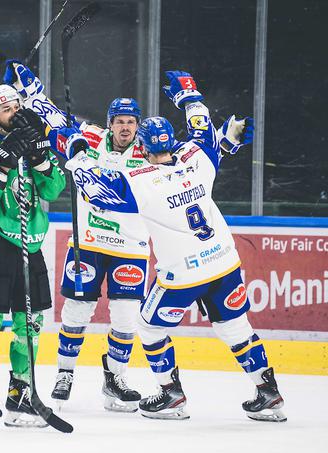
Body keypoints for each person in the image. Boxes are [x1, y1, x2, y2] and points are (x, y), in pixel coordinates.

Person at [63, 70, 285, 422]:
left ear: (144, 146)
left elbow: (95, 190)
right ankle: (268, 393)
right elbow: (203, 131)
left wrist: (76, 156)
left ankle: (170, 395)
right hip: (224, 263)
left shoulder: (141, 182)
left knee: (149, 327)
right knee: (236, 327)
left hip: (183, 274)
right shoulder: (198, 161)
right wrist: (190, 96)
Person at [3, 60, 150, 412]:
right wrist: (30, 88)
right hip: (88, 244)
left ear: (138, 125)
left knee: (126, 317)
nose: (125, 127)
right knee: (76, 311)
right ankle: (64, 373)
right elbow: (55, 118)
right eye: (120, 121)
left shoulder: (151, 153)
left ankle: (115, 379)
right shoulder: (93, 138)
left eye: (131, 121)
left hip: (132, 248)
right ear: (110, 122)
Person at [0, 84, 66, 429]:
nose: (16, 113)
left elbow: (53, 189)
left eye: (18, 105)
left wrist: (38, 156)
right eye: (7, 109)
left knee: (29, 326)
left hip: (30, 242)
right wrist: (2, 164)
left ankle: (21, 392)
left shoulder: (33, 140)